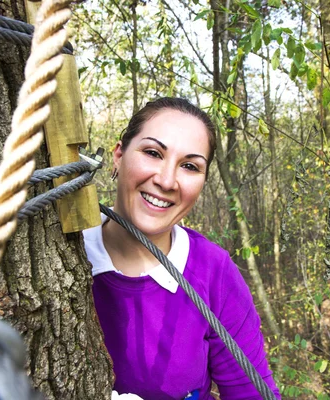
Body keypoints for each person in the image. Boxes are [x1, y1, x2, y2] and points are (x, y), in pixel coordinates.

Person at [83, 97, 280, 400]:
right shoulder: (64, 252)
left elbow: (250, 395)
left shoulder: (213, 271)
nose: (166, 180)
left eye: (189, 166)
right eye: (152, 153)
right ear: (119, 156)